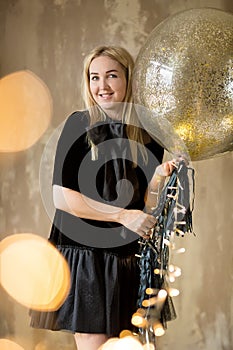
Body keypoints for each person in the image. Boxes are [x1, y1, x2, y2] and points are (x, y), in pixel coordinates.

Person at [30, 46, 175, 350]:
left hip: (130, 259)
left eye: (111, 76)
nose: (102, 87)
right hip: (86, 258)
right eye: (94, 77)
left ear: (129, 78)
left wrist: (160, 178)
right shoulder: (79, 125)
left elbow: (143, 207)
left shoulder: (148, 134)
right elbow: (61, 197)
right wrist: (122, 216)